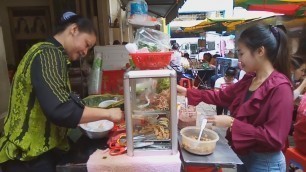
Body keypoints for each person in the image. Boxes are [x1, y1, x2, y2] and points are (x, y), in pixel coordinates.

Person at [0, 11, 123, 172]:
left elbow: (62, 100)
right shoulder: (47, 53)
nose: (85, 52)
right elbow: (61, 109)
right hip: (28, 158)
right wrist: (108, 114)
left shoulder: (53, 54)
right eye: (86, 44)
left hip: (42, 152)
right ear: (74, 30)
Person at [177, 24, 293, 172]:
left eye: (241, 53)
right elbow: (221, 96)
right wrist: (187, 92)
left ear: (260, 51)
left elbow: (274, 138)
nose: (239, 60)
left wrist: (232, 123)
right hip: (243, 155)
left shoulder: (280, 88)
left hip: (266, 163)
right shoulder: (250, 79)